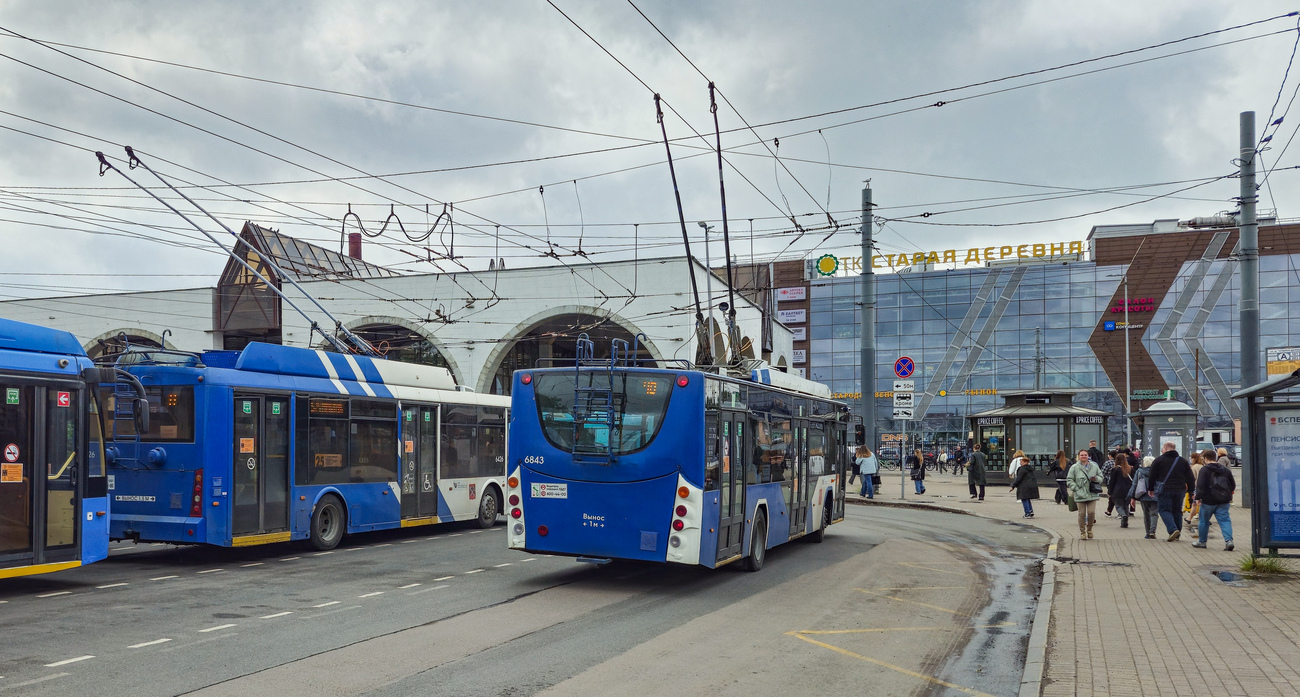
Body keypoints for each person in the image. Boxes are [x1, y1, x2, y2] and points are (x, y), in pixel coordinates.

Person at [1148, 442, 1197, 542]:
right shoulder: (1183, 461)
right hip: (1180, 490)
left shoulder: (1159, 460)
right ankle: (1177, 533)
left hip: (1165, 490)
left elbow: (1152, 476)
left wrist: (1151, 489)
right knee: (1177, 511)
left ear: (1165, 448)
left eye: (1162, 448)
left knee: (1164, 510)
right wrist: (1191, 491)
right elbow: (1190, 478)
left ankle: (1173, 530)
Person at [1193, 449, 1236, 550]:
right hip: (1224, 500)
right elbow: (1232, 484)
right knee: (1225, 521)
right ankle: (1229, 541)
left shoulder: (1205, 470)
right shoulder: (1225, 470)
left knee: (1203, 521)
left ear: (1206, 459)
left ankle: (1202, 541)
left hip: (1208, 500)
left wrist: (1198, 498)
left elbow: (1200, 485)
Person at [1067, 449, 1103, 539]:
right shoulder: (1074, 467)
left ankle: (1089, 529)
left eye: (1085, 455)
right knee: (1081, 514)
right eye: (1082, 455)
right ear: (1078, 457)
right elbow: (1069, 480)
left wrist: (1096, 479)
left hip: (1092, 494)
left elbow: (1101, 477)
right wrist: (1075, 488)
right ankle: (1082, 532)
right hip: (1080, 494)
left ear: (1088, 456)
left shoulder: (1094, 466)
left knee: (1091, 512)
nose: (1084, 456)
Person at [1128, 455, 1160, 538]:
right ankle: (1153, 531)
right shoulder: (1158, 471)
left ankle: (1148, 532)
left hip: (1143, 495)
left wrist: (1132, 497)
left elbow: (1134, 484)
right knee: (1154, 514)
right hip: (1155, 495)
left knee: (1146, 515)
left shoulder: (1139, 471)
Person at [1107, 453, 1133, 529]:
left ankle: (1123, 515)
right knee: (1126, 506)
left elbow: (1112, 481)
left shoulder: (1115, 469)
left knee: (1118, 506)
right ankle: (1124, 523)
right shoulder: (1129, 469)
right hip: (1128, 490)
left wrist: (1109, 491)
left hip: (1117, 490)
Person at [1184, 452, 1205, 527]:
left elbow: (1191, 478)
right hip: (1203, 487)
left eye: (1191, 458)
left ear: (1193, 458)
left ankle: (1190, 518)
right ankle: (1202, 518)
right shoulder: (1202, 466)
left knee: (1194, 504)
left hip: (1196, 488)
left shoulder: (1193, 467)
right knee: (1201, 504)